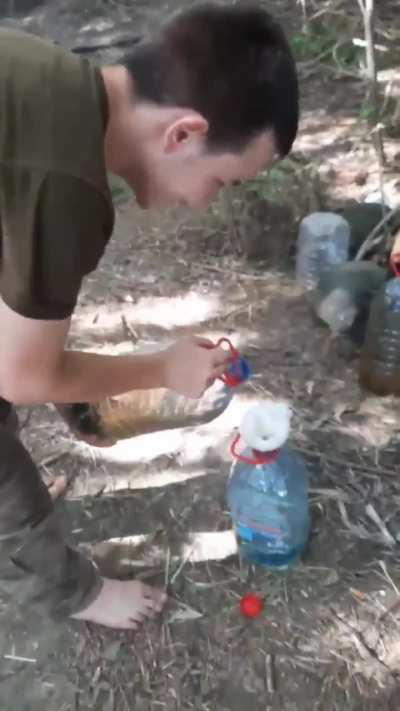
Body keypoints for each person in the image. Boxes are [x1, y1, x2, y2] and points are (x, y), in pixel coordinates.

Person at [0, 2, 299, 629]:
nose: (203, 204)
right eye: (222, 182)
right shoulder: (67, 183)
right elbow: (21, 378)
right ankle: (71, 593)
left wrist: (67, 383)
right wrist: (160, 368)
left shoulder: (49, 80)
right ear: (183, 134)